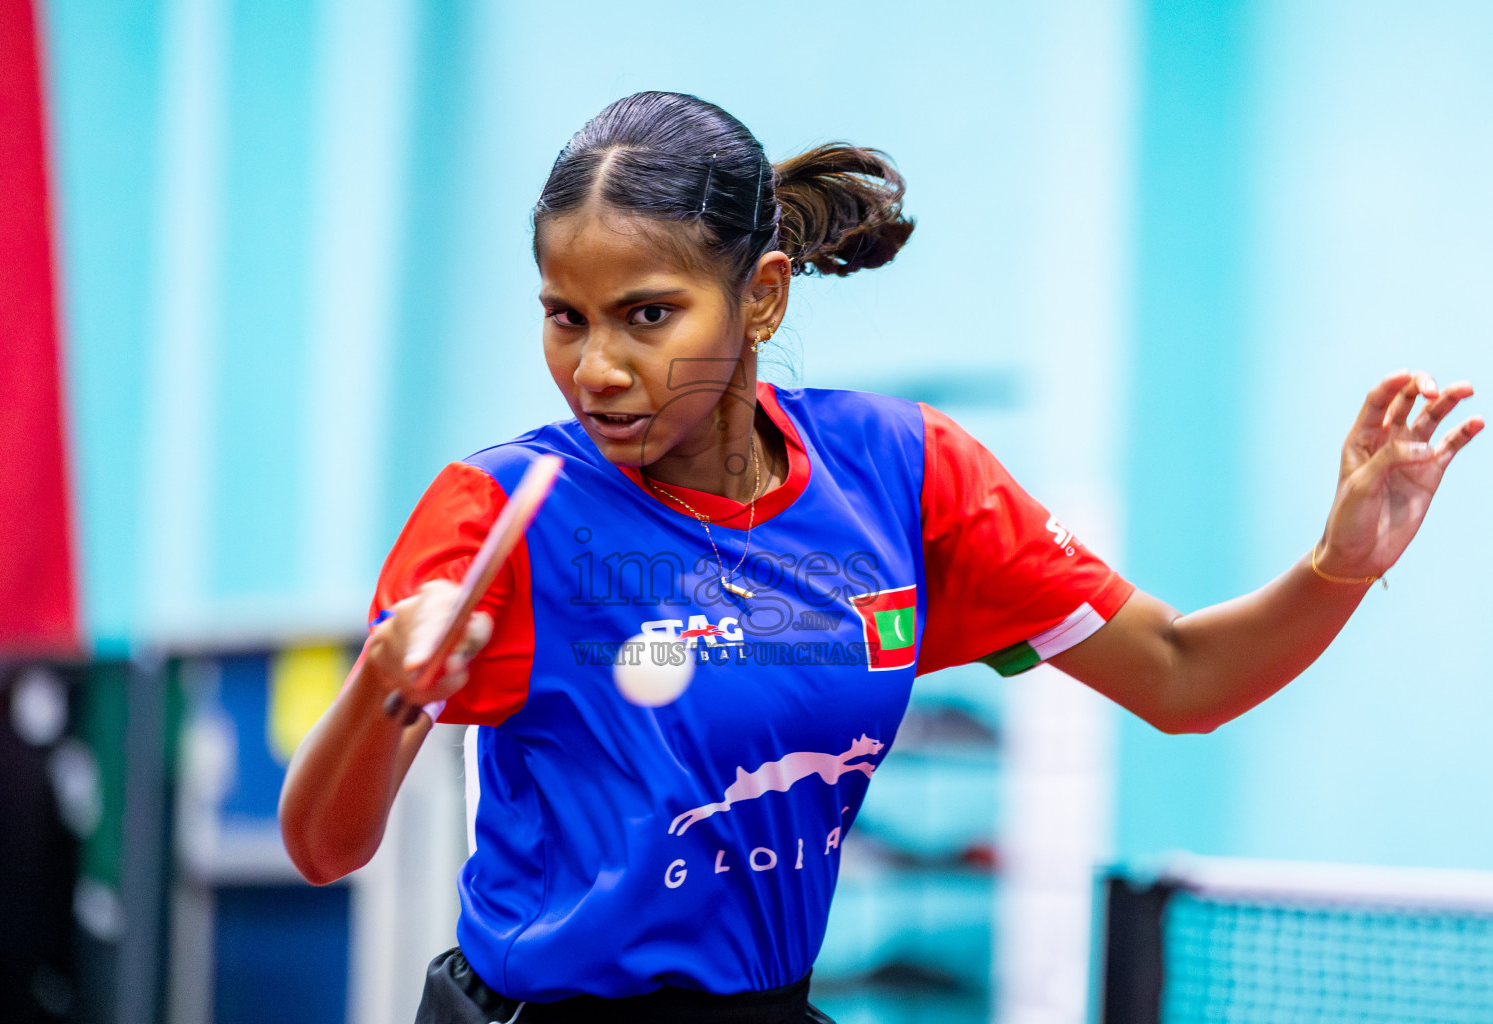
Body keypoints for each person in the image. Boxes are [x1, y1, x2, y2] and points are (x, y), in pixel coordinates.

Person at [278, 91, 1482, 1023]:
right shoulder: (500, 513)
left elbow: (1179, 675)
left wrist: (1339, 563)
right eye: (565, 316)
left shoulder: (902, 478)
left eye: (647, 314)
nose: (597, 366)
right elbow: (324, 848)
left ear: (759, 298)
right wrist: (391, 688)